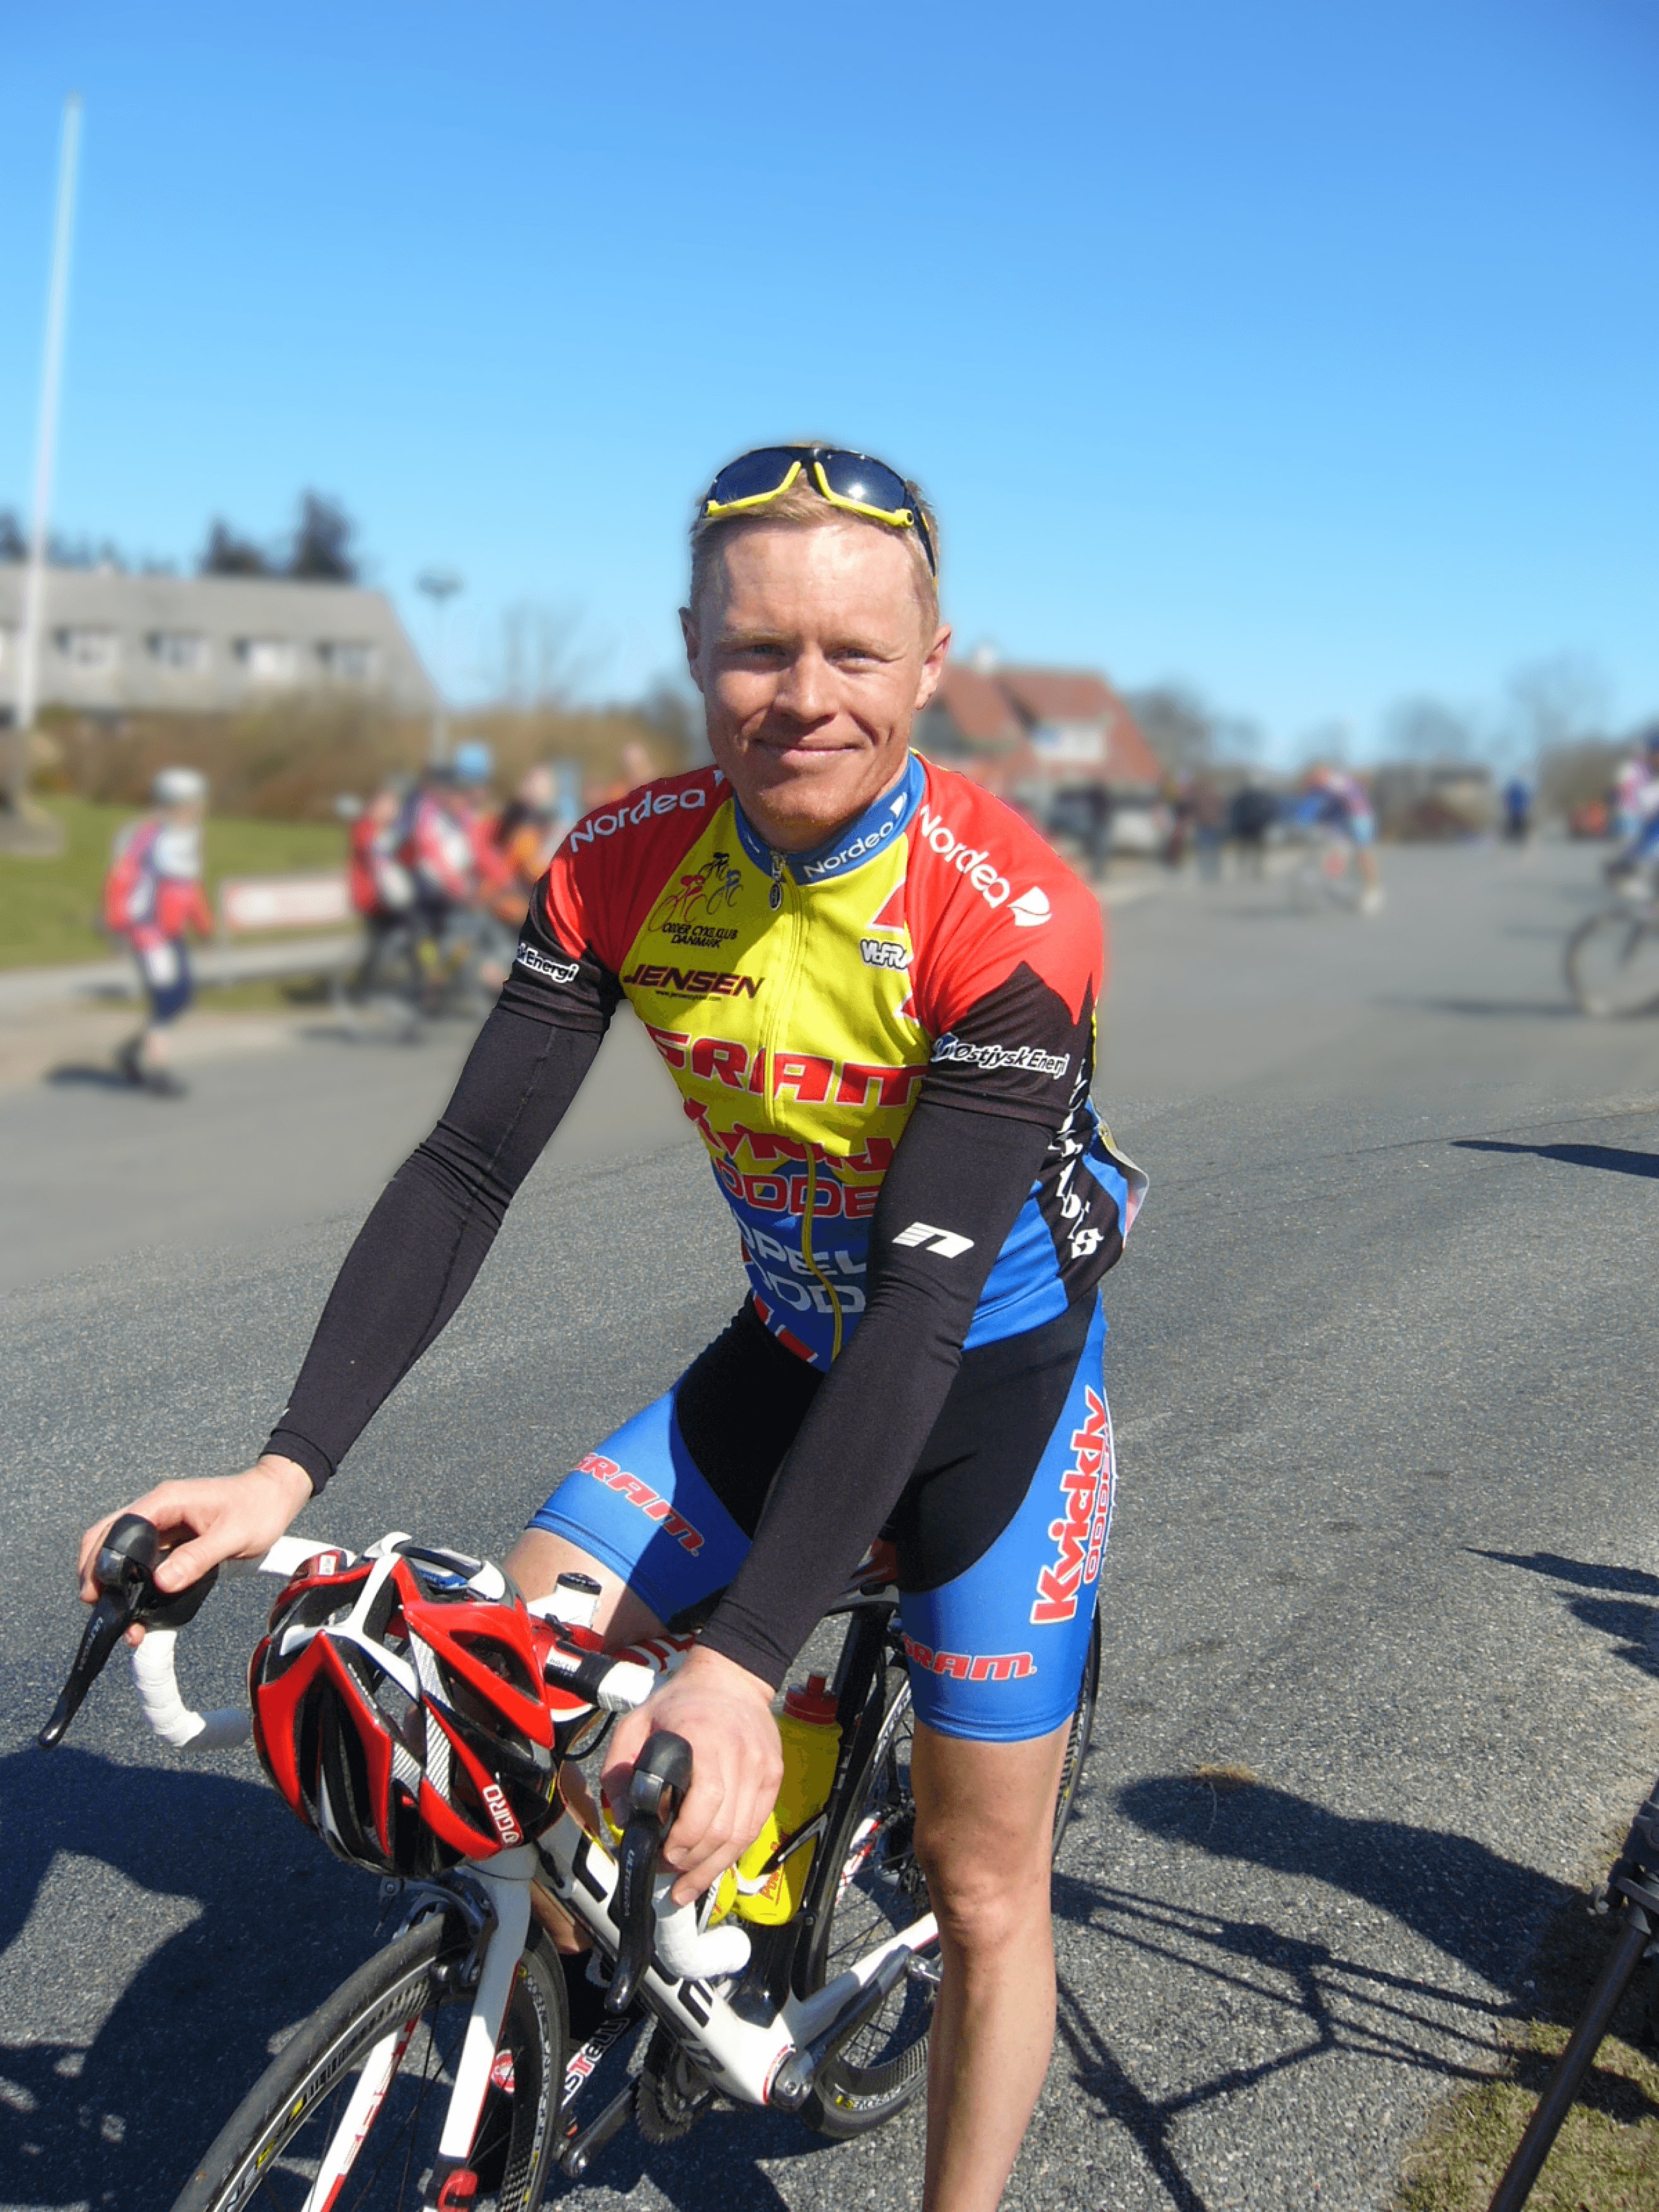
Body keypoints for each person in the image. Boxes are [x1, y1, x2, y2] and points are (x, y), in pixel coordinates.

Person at [77, 444, 1146, 2212]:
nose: (801, 698)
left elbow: (921, 1300)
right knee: (509, 1663)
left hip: (981, 1395)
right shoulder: (624, 858)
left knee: (977, 1884)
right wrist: (283, 1470)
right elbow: (466, 1165)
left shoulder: (1006, 913)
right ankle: (625, 1959)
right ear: (688, 645)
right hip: (783, 1353)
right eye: (755, 651)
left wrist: (737, 1657)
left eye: (853, 657)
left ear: (932, 663)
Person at [102, 766, 214, 1097]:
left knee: (183, 999)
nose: (199, 809)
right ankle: (160, 1071)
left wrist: (204, 926)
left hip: (172, 931)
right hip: (146, 930)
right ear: (174, 804)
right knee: (165, 998)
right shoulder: (144, 837)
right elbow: (120, 882)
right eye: (193, 803)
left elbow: (189, 886)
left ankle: (130, 1051)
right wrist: (117, 926)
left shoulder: (190, 834)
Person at [1293, 763, 1384, 913]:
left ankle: (1374, 889)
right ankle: (1334, 886)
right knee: (1336, 851)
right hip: (1342, 821)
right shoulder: (1324, 787)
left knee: (1362, 852)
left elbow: (1349, 797)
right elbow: (1317, 808)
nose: (1308, 785)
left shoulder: (1335, 782)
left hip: (1359, 817)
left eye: (1311, 780)